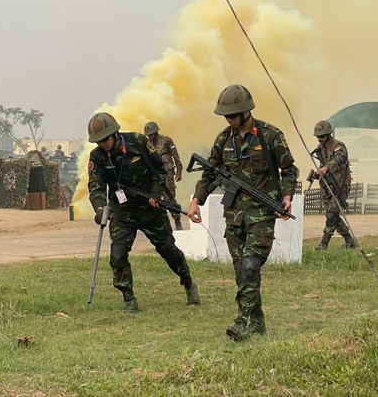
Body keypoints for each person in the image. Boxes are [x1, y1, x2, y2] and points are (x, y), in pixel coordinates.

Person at [187, 85, 298, 341]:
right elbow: (209, 173)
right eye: (226, 116)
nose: (229, 120)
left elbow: (289, 170)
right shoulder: (224, 139)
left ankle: (243, 321)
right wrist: (196, 201)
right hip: (234, 216)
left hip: (261, 215)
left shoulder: (270, 136)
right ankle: (257, 322)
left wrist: (286, 196)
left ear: (247, 111)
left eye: (233, 115)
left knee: (250, 267)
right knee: (241, 272)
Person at [86, 112, 200, 311]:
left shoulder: (138, 142)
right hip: (122, 211)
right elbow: (95, 186)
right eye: (98, 141)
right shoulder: (97, 157)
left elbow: (160, 169)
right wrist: (100, 209)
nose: (102, 144)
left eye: (105, 139)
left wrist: (156, 194)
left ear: (115, 133)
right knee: (118, 255)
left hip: (150, 208)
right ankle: (128, 298)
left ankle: (188, 282)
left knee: (169, 251)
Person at [312, 120, 357, 250]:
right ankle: (350, 241)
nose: (319, 139)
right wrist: (318, 173)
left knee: (332, 214)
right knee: (333, 216)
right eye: (318, 137)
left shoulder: (338, 146)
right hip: (327, 186)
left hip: (340, 187)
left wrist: (327, 168)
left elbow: (340, 158)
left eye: (322, 136)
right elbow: (322, 166)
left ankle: (324, 244)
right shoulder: (321, 149)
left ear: (328, 135)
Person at [144, 121, 184, 230]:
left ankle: (177, 220)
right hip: (154, 175)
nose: (150, 136)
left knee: (169, 197)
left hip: (168, 174)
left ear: (156, 132)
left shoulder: (166, 140)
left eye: (152, 134)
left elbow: (175, 155)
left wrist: (179, 170)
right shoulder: (147, 144)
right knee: (155, 198)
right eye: (149, 135)